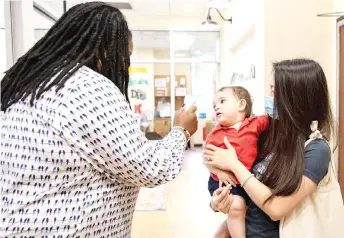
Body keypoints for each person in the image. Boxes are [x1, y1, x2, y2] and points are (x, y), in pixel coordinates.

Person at [0, 2, 198, 238]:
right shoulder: (87, 87)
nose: (126, 64)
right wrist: (181, 131)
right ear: (104, 50)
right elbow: (149, 167)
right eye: (126, 55)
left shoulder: (25, 84)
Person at [205, 59, 333, 238]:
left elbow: (276, 209)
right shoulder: (269, 132)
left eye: (274, 90)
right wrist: (216, 203)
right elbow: (243, 193)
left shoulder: (317, 150)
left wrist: (234, 165)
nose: (269, 96)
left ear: (295, 97)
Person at [205, 86, 268, 238]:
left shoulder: (254, 124)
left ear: (241, 105)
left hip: (245, 179)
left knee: (247, 208)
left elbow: (273, 121)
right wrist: (219, 172)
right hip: (224, 181)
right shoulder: (216, 134)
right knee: (237, 206)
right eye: (215, 105)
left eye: (222, 101)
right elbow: (207, 160)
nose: (217, 107)